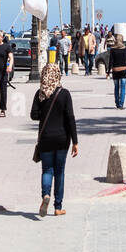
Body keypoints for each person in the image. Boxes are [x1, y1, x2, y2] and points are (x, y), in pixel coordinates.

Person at [30, 63, 78, 217]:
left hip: (46, 138)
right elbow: (70, 118)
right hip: (63, 138)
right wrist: (75, 142)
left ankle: (45, 195)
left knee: (47, 170)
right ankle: (58, 207)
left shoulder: (40, 94)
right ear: (58, 75)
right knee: (60, 172)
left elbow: (34, 115)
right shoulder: (64, 94)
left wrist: (45, 114)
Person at [107, 33, 126, 108]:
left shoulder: (112, 49)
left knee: (116, 87)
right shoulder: (125, 49)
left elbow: (110, 61)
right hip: (123, 70)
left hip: (115, 71)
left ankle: (117, 103)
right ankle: (121, 104)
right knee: (123, 87)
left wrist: (108, 72)